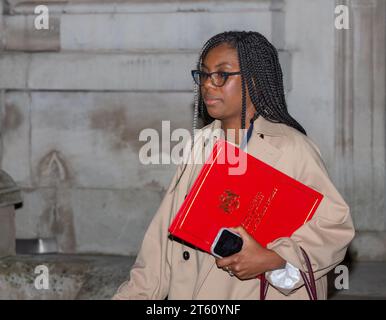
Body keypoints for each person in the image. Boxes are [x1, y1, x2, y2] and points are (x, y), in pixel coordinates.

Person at [113, 31, 355, 300]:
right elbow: (162, 240)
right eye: (204, 74)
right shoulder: (201, 144)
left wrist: (274, 258)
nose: (207, 84)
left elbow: (334, 226)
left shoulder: (290, 147)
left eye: (222, 75)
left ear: (255, 81)